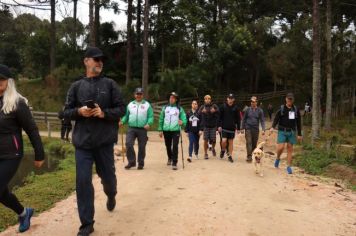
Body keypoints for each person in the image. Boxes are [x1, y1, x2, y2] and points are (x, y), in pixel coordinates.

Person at [64, 47, 126, 236]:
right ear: (86, 61)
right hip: (82, 144)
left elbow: (122, 109)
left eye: (101, 60)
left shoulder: (110, 84)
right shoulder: (76, 86)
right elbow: (64, 112)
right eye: (95, 59)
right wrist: (78, 112)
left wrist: (104, 113)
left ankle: (111, 194)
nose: (99, 62)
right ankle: (87, 224)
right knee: (83, 181)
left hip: (104, 142)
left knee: (108, 179)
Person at [0, 64, 44, 233]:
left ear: (9, 82)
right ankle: (24, 213)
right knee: (1, 192)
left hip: (12, 154)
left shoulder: (17, 103)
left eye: (2, 79)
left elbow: (31, 129)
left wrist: (39, 154)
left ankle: (24, 213)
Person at [120, 87, 154, 170]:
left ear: (143, 95)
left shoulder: (147, 105)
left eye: (140, 94)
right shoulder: (130, 104)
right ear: (134, 95)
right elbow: (126, 116)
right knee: (128, 144)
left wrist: (149, 123)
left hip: (142, 129)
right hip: (131, 128)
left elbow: (150, 116)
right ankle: (131, 162)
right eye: (137, 94)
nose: (138, 95)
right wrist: (123, 121)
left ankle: (141, 163)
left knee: (142, 146)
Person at [270, 93, 302, 174]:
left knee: (290, 148)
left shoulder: (295, 109)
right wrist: (272, 127)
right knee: (281, 147)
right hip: (282, 131)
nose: (289, 101)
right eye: (288, 99)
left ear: (293, 100)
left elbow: (298, 122)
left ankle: (288, 166)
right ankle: (278, 158)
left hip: (291, 131)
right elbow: (276, 118)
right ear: (286, 99)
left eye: (291, 99)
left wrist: (299, 134)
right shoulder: (282, 108)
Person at [158, 92, 187, 170]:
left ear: (176, 99)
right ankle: (169, 158)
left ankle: (174, 162)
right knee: (168, 145)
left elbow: (184, 119)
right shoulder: (165, 108)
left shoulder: (179, 109)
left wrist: (182, 122)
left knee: (175, 146)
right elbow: (161, 119)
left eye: (173, 98)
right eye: (170, 97)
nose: (171, 99)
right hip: (166, 130)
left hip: (176, 130)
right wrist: (160, 129)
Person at [241, 96, 266, 162]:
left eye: (254, 102)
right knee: (249, 142)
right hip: (248, 128)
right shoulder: (247, 110)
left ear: (256, 102)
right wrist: (242, 128)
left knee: (254, 143)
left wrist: (263, 129)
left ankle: (254, 155)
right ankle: (249, 157)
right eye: (251, 102)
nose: (252, 103)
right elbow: (243, 119)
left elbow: (262, 120)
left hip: (255, 129)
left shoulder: (260, 110)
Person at [218, 93, 241, 163]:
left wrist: (238, 128)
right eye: (229, 98)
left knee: (231, 142)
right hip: (224, 127)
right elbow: (219, 117)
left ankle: (230, 156)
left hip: (232, 128)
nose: (230, 100)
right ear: (227, 99)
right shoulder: (222, 107)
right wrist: (219, 126)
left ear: (233, 99)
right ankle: (223, 150)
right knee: (224, 140)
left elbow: (238, 119)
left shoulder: (236, 108)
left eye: (232, 98)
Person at [199, 95, 219, 159]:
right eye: (206, 99)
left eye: (209, 99)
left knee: (214, 140)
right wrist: (202, 111)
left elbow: (219, 112)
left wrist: (215, 111)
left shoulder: (214, 106)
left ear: (211, 99)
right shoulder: (202, 106)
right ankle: (205, 153)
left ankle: (213, 148)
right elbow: (198, 113)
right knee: (205, 140)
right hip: (206, 126)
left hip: (213, 126)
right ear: (204, 100)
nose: (207, 100)